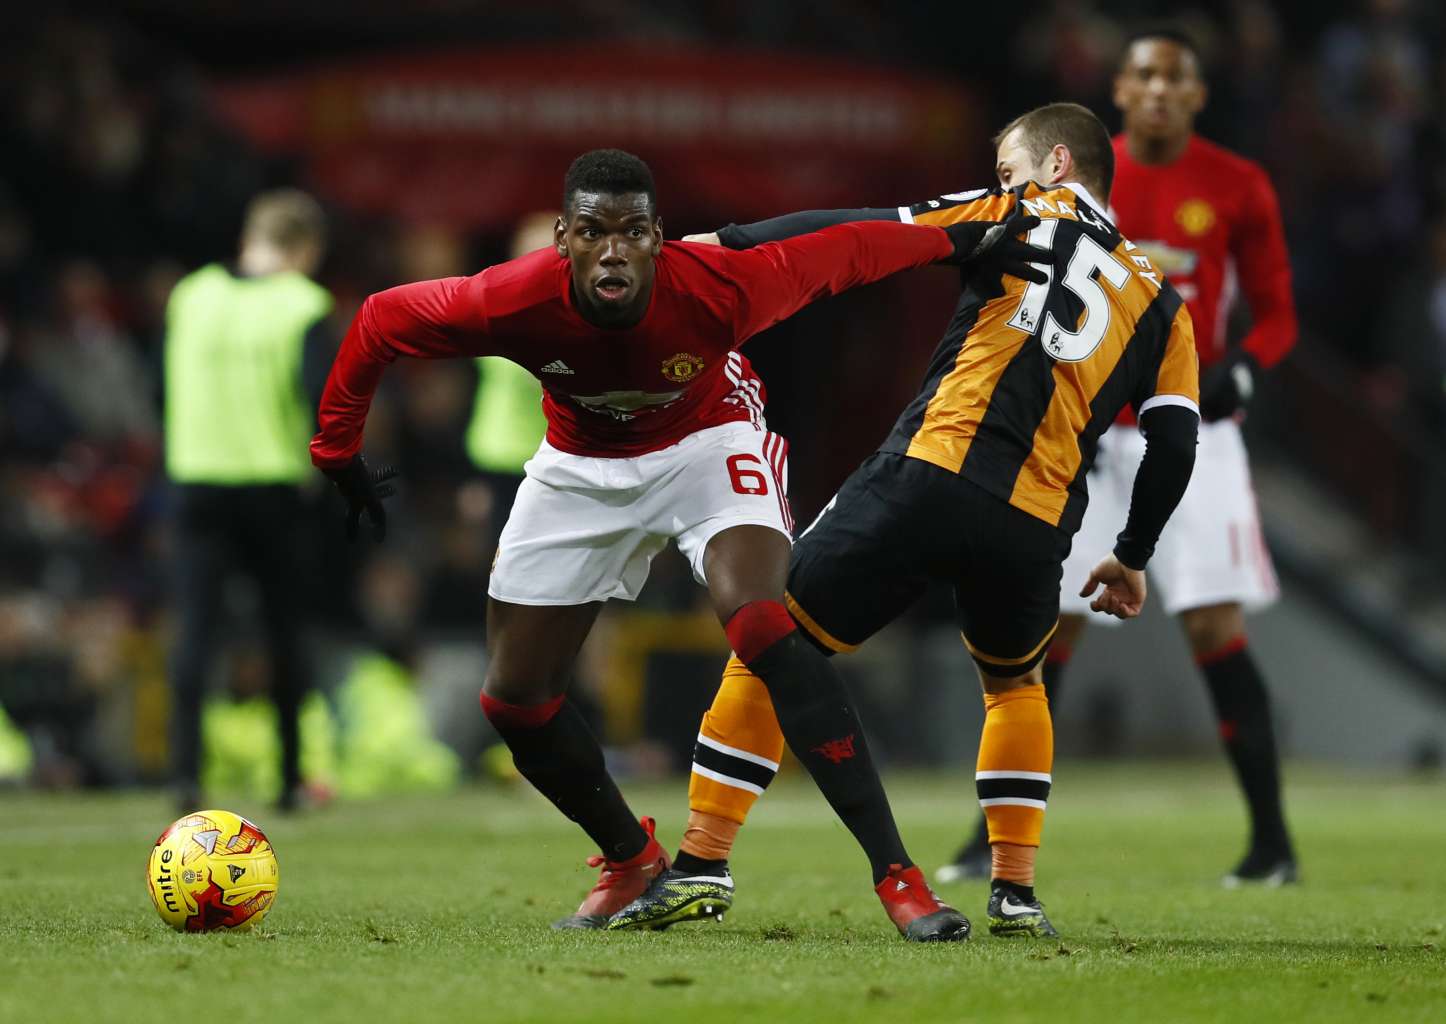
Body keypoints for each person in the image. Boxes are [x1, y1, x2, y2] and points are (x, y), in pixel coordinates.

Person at [310, 148, 1041, 941]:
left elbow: (853, 250)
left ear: (659, 237)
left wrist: (962, 237)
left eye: (632, 231)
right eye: (593, 232)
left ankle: (899, 879)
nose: (613, 250)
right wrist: (336, 452)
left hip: (706, 443)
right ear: (562, 239)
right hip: (580, 466)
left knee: (763, 625)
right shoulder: (509, 298)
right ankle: (631, 860)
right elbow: (379, 320)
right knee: (514, 700)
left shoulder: (721, 284)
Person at [609, 102, 1202, 940]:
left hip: (930, 472)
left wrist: (730, 242)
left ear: (1058, 165)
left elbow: (866, 228)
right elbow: (1175, 442)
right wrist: (1133, 552)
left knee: (772, 645)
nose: (1002, 182)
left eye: (1010, 168)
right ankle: (1016, 893)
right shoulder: (1165, 304)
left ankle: (702, 862)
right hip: (1034, 525)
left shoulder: (1019, 210)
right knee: (1016, 687)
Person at [938, 30, 1300, 889]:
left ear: (1198, 94)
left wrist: (1245, 369)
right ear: (1122, 91)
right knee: (1045, 624)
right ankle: (989, 837)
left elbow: (1279, 315)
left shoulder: (1238, 184)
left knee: (1213, 625)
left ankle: (1272, 844)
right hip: (1087, 429)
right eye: (1144, 75)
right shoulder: (1089, 183)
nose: (1160, 89)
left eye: (1176, 77)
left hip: (1193, 429)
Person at [165, 188, 334, 813]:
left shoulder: (190, 295)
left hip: (197, 475)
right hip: (274, 483)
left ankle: (184, 777)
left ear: (249, 236)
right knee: (283, 632)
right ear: (305, 248)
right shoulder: (304, 304)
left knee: (194, 631)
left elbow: (161, 384)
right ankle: (288, 779)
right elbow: (322, 398)